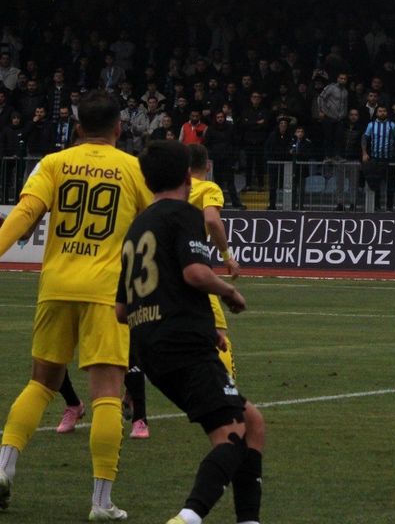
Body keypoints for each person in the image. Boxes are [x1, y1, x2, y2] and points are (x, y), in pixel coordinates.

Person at [0, 90, 153, 520]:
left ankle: (3, 468)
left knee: (41, 383)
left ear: (78, 128)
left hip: (56, 285)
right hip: (106, 292)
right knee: (107, 394)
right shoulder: (133, 169)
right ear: (119, 128)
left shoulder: (54, 163)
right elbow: (157, 221)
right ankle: (101, 502)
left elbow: (26, 211)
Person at [117, 140, 266, 523]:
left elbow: (121, 309)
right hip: (182, 344)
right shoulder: (184, 214)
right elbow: (195, 273)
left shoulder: (137, 226)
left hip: (150, 349)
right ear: (188, 176)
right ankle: (188, 518)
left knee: (252, 422)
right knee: (231, 434)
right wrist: (229, 292)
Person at [188, 144, 244, 379]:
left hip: (162, 268)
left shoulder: (170, 190)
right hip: (194, 265)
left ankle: (133, 391)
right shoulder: (208, 188)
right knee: (218, 332)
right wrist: (227, 256)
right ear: (208, 166)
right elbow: (212, 220)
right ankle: (226, 390)